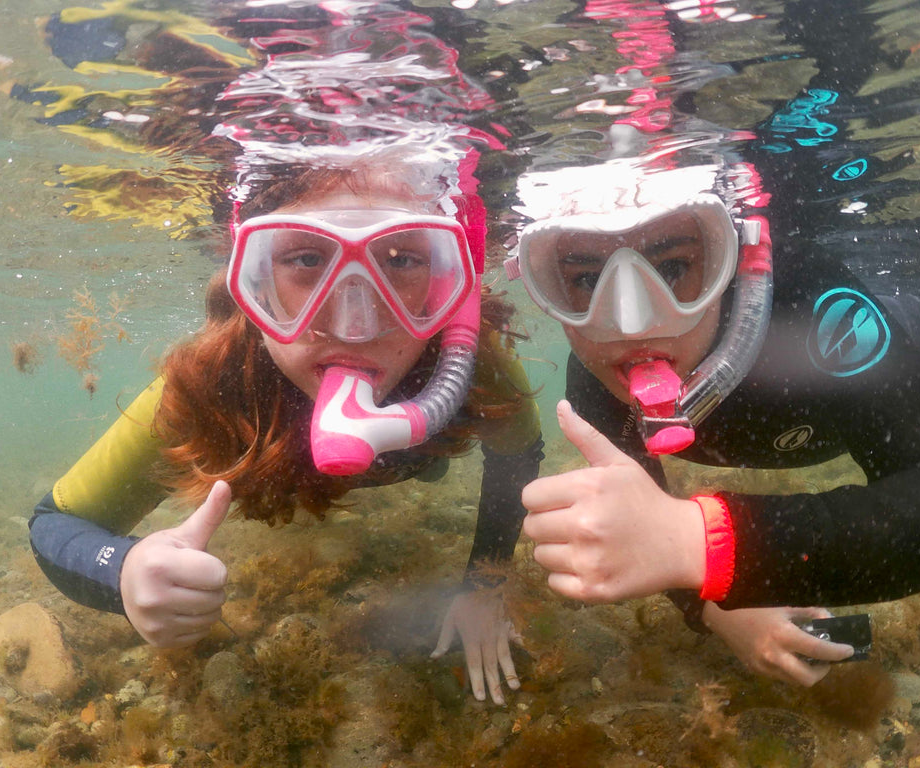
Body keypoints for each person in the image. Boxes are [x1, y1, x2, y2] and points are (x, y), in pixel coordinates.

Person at [28, 2, 543, 707]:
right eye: (306, 260)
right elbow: (55, 524)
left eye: (401, 260)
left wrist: (485, 583)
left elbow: (519, 452)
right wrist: (125, 572)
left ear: (451, 283)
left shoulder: (467, 361)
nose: (357, 325)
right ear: (252, 283)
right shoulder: (216, 385)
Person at [506, 151, 920, 687]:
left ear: (729, 263)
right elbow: (647, 522)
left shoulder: (822, 315)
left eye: (674, 267)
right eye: (585, 279)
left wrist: (702, 544)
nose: (629, 324)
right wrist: (716, 608)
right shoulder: (593, 388)